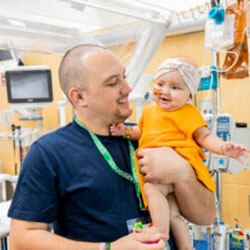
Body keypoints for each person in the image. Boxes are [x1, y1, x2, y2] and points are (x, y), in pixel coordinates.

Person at [8, 45, 217, 250]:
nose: (127, 88)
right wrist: (108, 248)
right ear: (79, 97)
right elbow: (22, 240)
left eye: (124, 77)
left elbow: (206, 216)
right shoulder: (48, 153)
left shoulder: (153, 138)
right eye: (113, 83)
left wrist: (183, 174)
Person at [110, 57, 249, 250]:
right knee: (173, 213)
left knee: (151, 190)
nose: (165, 91)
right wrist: (125, 131)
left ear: (189, 95)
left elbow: (205, 136)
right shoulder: (150, 111)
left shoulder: (188, 112)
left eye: (175, 88)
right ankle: (186, 246)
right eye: (160, 84)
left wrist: (222, 147)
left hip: (178, 163)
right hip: (159, 170)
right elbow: (140, 132)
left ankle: (159, 229)